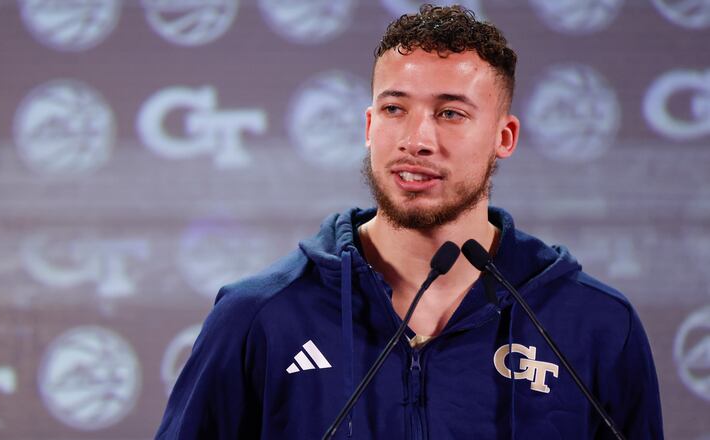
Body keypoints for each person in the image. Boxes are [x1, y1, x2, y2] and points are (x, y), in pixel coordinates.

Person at [156, 5, 663, 439]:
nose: (416, 140)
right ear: (369, 126)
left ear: (504, 137)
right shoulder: (261, 316)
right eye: (395, 108)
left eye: (450, 113)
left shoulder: (593, 324)